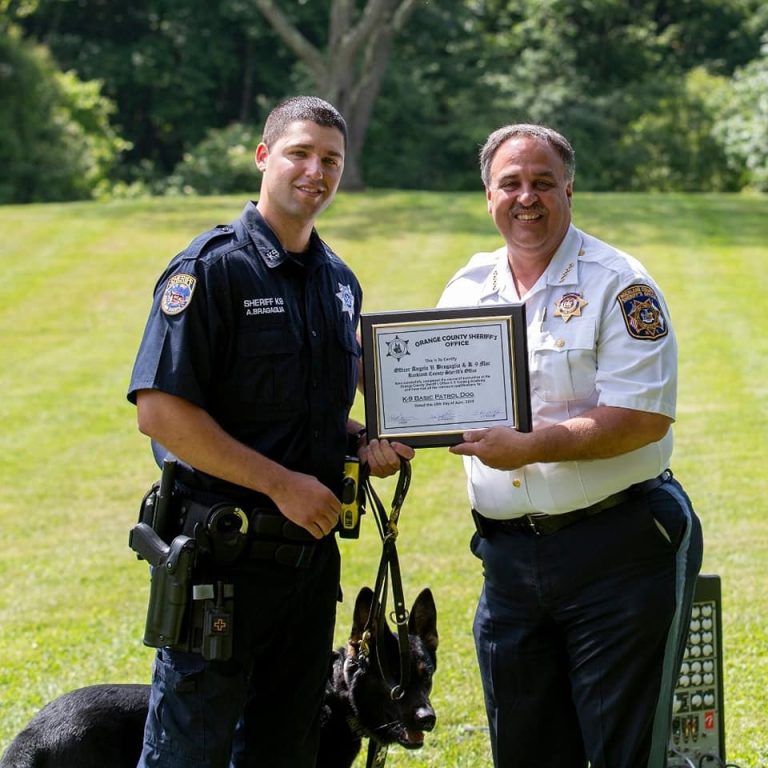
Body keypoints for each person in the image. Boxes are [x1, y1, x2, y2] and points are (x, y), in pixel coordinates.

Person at [127, 95, 412, 768]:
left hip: (309, 572)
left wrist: (357, 443)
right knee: (187, 755)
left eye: (331, 160)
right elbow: (161, 411)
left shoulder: (339, 283)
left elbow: (298, 412)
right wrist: (282, 484)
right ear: (263, 157)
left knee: (286, 752)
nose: (316, 171)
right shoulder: (211, 269)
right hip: (222, 564)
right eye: (299, 154)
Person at [438, 123, 703, 768]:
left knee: (623, 752)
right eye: (510, 184)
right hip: (507, 564)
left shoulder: (621, 284)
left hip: (617, 554)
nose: (526, 197)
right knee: (525, 752)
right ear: (488, 195)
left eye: (542, 183)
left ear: (569, 191)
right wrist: (394, 437)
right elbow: (437, 399)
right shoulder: (468, 289)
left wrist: (530, 447)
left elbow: (642, 418)